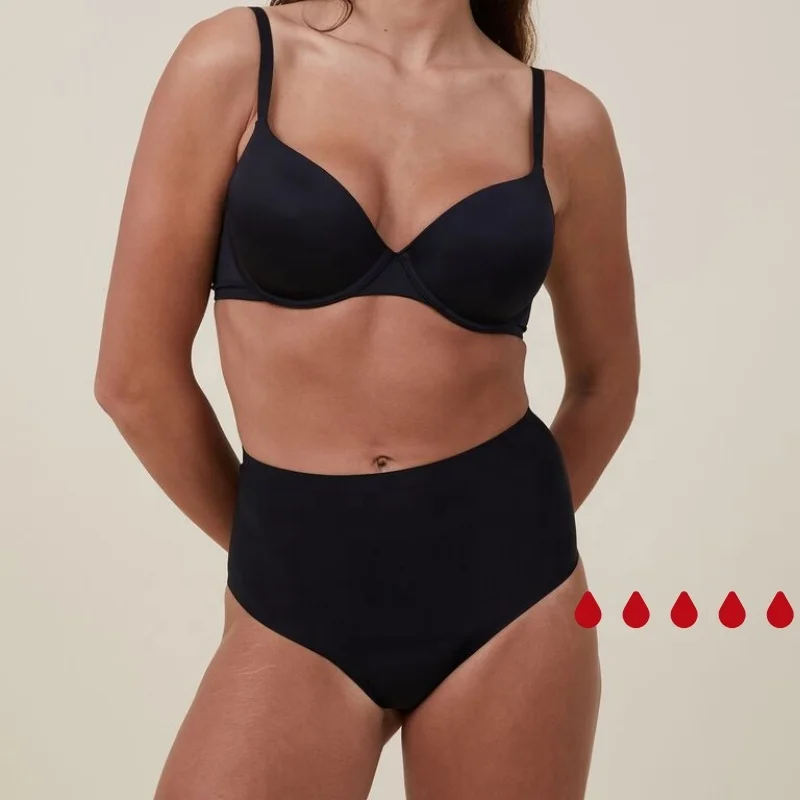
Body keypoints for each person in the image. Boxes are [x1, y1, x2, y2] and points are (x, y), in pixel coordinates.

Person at [95, 1, 639, 797]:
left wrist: (502, 537)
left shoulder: (563, 122)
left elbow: (605, 385)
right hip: (295, 588)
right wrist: (288, 550)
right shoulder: (237, 62)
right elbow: (134, 380)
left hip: (515, 597)